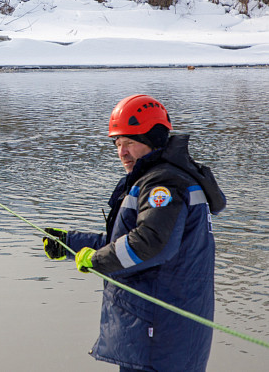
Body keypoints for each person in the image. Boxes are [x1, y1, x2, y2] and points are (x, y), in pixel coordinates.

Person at [42, 94, 225, 372]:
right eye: (117, 144)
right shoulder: (159, 178)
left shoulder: (163, 185)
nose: (121, 152)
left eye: (129, 142)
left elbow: (150, 245)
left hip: (160, 337)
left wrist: (96, 260)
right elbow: (128, 241)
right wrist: (69, 244)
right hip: (155, 333)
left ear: (153, 140)